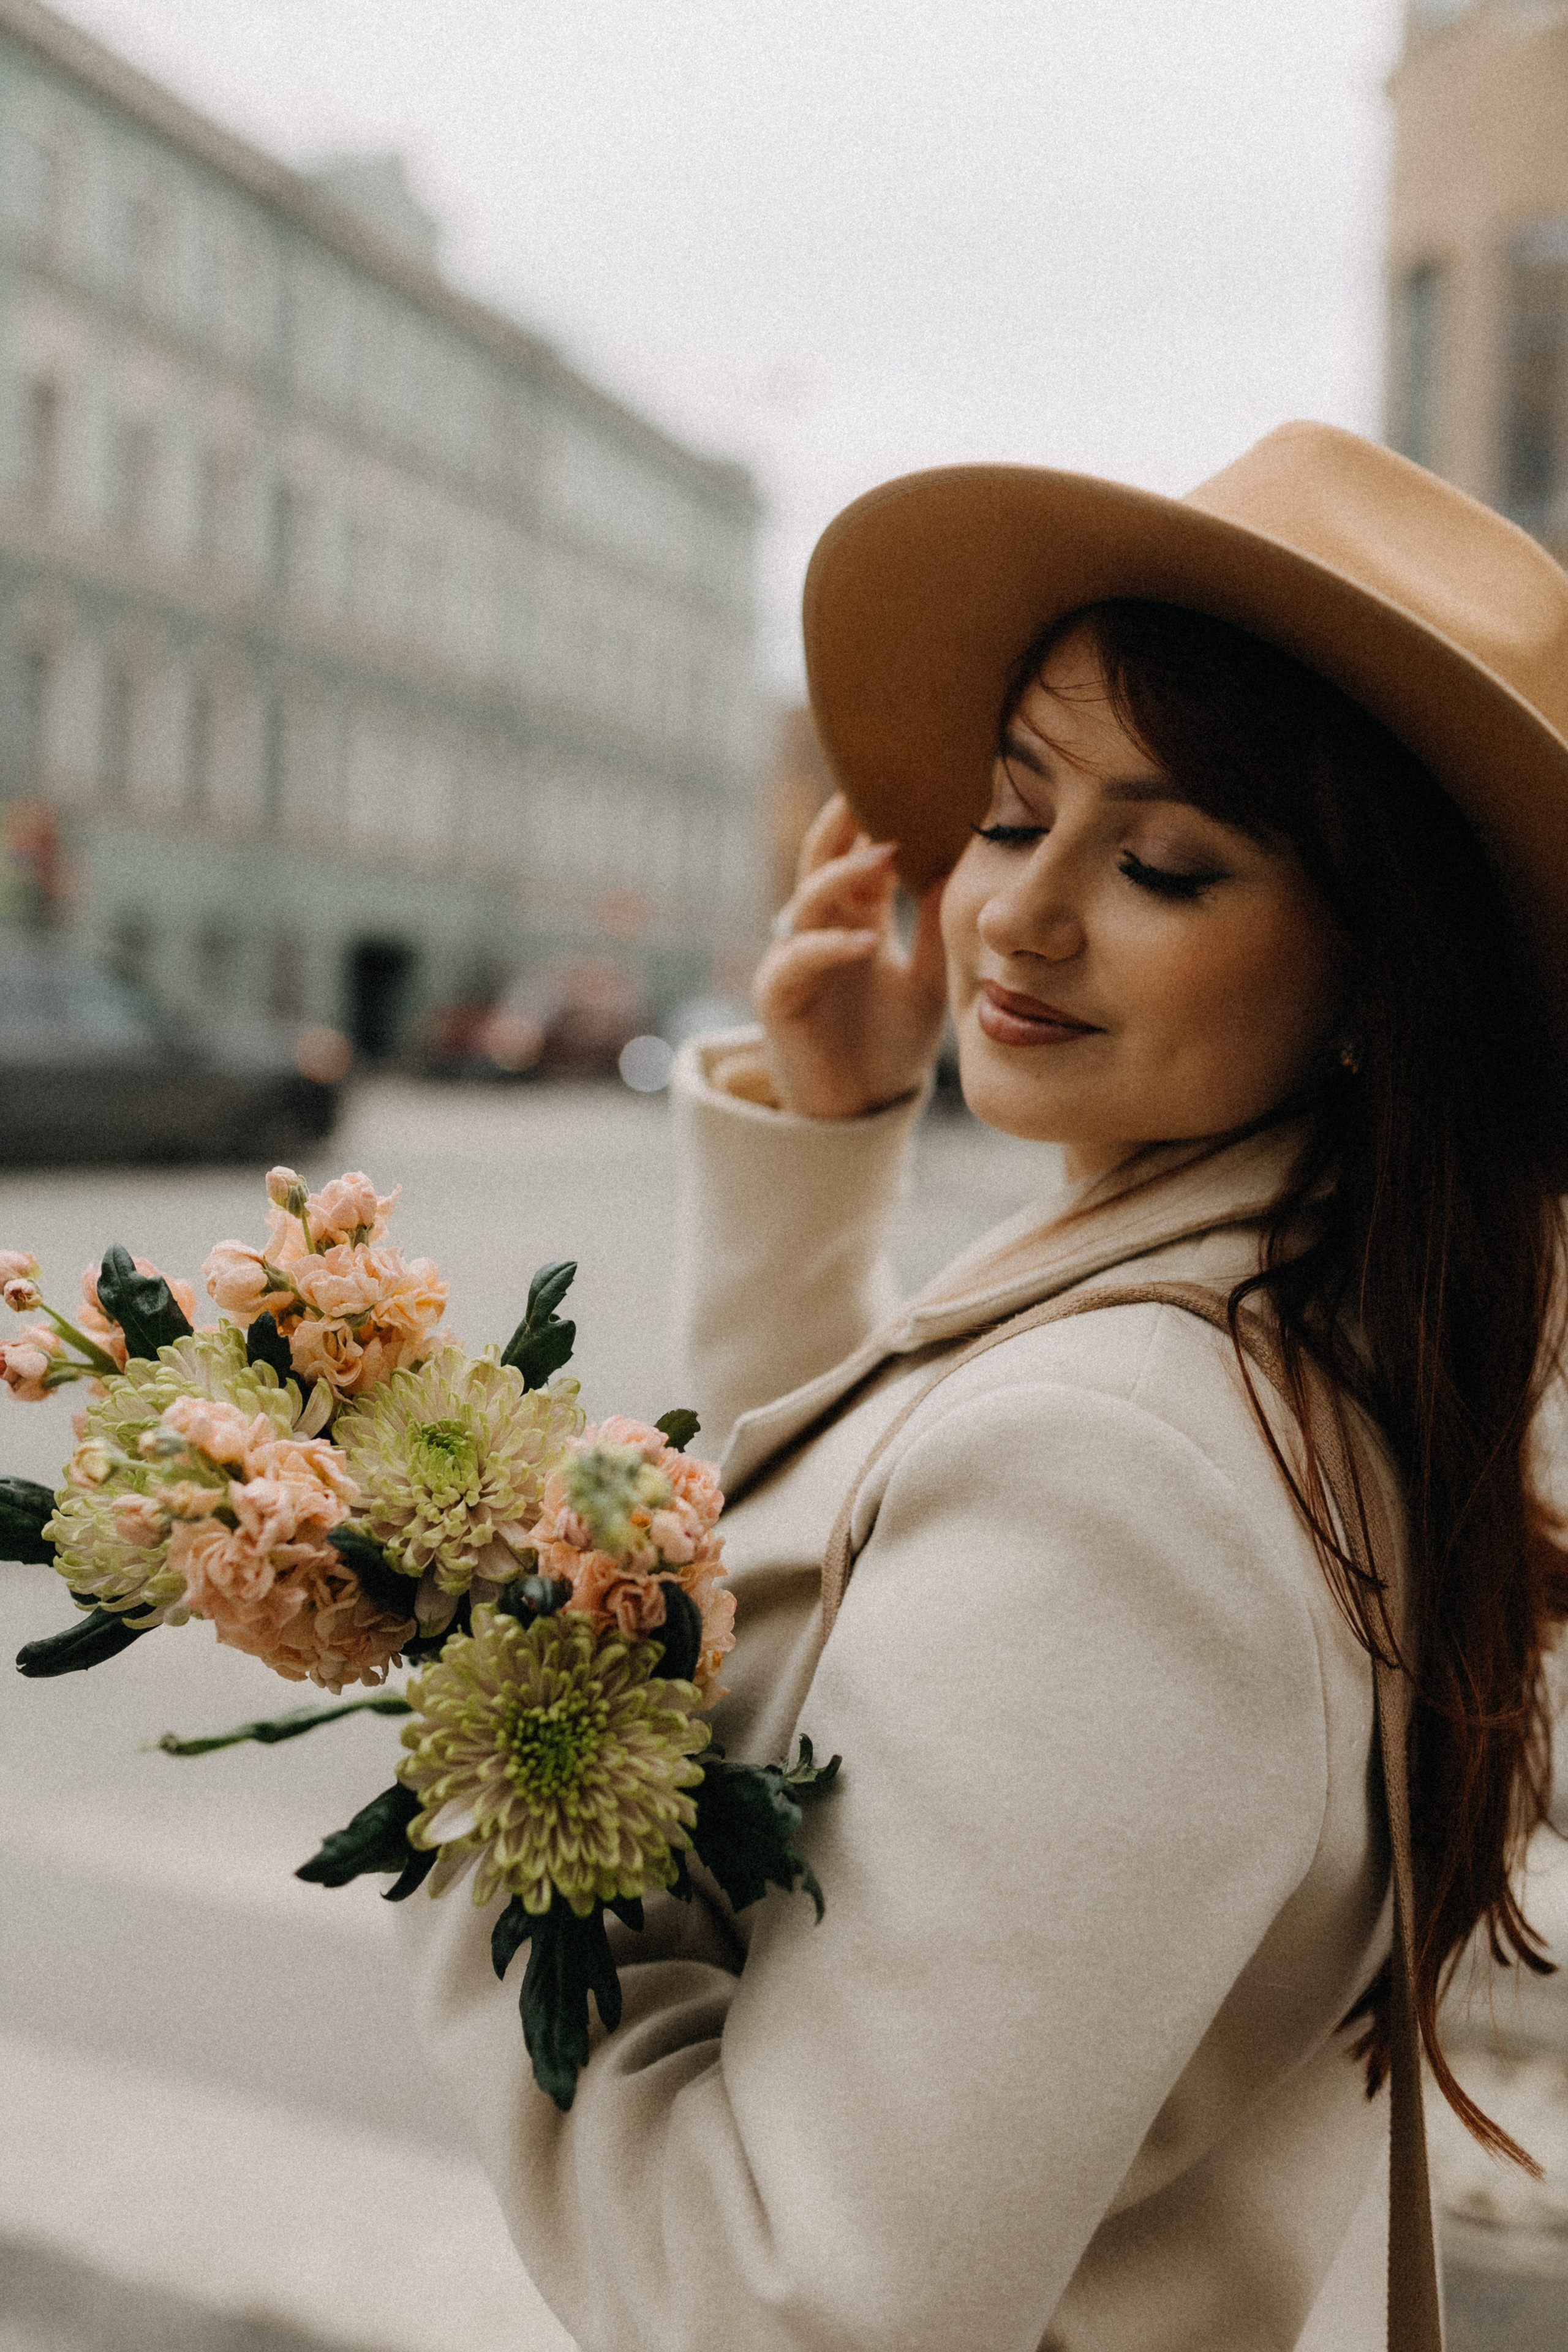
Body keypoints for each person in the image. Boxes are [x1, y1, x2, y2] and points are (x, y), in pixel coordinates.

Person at [400, 423, 1568, 2350]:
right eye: (1018, 818)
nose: (1019, 910)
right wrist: (835, 1137)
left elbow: (797, 2305)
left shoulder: (1130, 1475)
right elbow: (901, 1615)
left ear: (1381, 974)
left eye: (1167, 863)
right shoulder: (1291, 1313)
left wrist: (490, 1796)